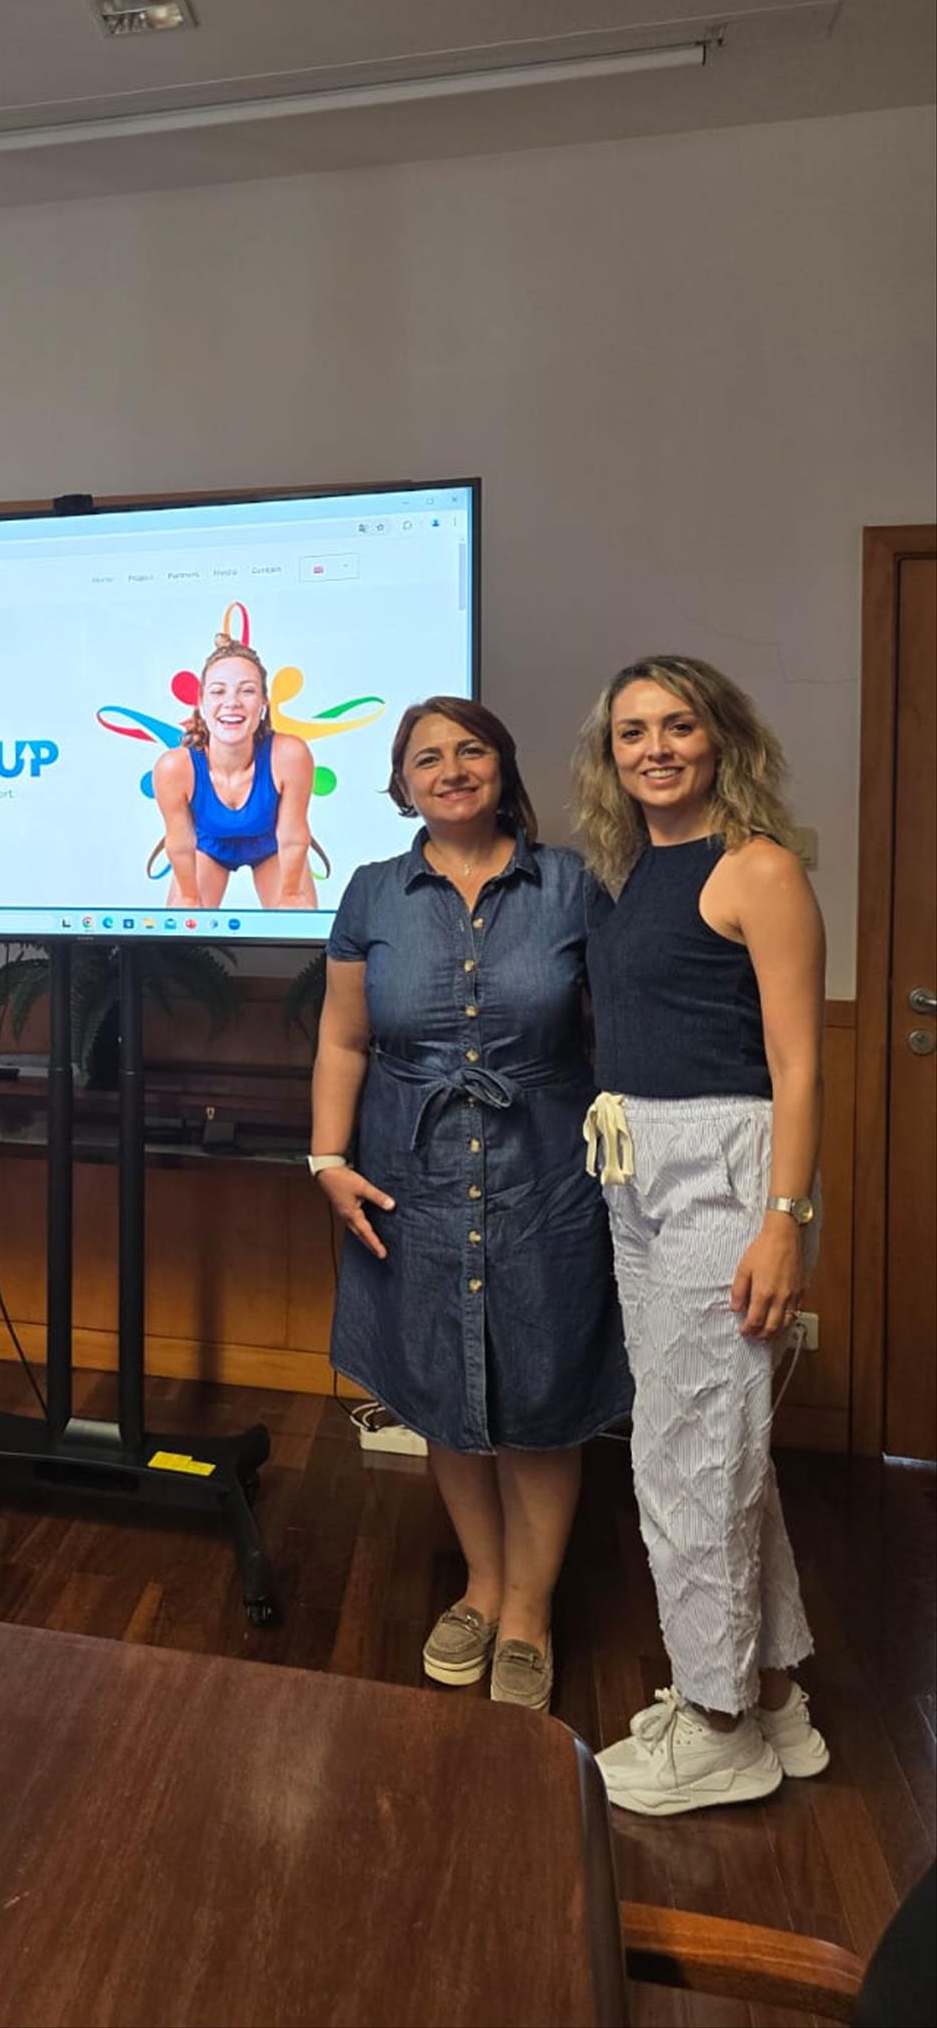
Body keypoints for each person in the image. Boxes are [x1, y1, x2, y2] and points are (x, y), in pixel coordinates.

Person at [310, 697, 628, 1710]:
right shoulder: (371, 892)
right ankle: (482, 1586)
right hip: (411, 1176)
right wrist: (326, 1158)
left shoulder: (572, 885)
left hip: (549, 1175)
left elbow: (619, 1033)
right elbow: (341, 1041)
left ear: (502, 767)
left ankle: (529, 1611)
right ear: (401, 784)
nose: (449, 769)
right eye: (426, 758)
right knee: (442, 1384)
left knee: (542, 1393)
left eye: (470, 750)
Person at [575, 654, 828, 1815]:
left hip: (725, 1172)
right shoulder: (629, 867)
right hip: (636, 1165)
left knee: (686, 1457)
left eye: (676, 726)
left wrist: (781, 1222)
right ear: (610, 753)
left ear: (719, 736)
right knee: (716, 1448)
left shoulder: (755, 866)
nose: (654, 749)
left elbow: (797, 1064)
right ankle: (763, 1695)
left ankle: (714, 1726)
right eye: (631, 732)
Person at [153, 636, 317, 908]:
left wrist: (291, 897)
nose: (232, 702)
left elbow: (292, 835)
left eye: (247, 691)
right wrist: (189, 899)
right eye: (218, 692)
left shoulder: (290, 755)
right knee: (185, 917)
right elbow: (180, 844)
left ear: (264, 702)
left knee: (296, 915)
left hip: (272, 845)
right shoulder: (174, 768)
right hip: (208, 845)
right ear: (201, 703)